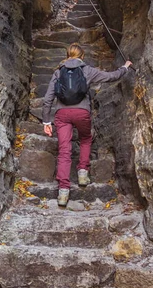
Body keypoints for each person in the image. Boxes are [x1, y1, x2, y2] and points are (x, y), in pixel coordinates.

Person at [43, 43, 132, 207]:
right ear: (82, 56)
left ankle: (63, 191)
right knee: (85, 138)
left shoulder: (58, 72)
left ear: (67, 54)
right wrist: (125, 67)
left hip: (62, 114)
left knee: (64, 150)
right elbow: (111, 76)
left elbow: (48, 98)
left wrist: (46, 121)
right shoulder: (87, 70)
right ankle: (83, 172)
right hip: (82, 112)